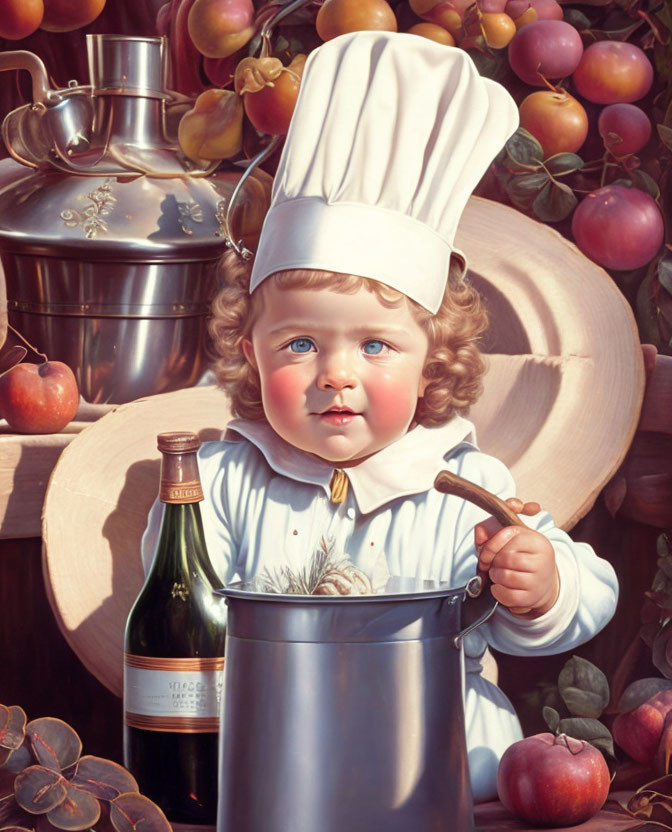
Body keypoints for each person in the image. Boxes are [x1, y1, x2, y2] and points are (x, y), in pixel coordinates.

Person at [142, 30, 618, 802]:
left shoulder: (461, 484)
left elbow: (585, 601)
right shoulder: (220, 482)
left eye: (375, 346)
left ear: (432, 361)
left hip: (442, 766)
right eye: (300, 342)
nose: (337, 373)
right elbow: (177, 603)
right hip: (278, 762)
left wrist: (540, 584)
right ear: (248, 352)